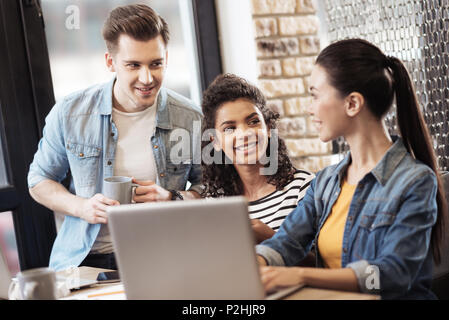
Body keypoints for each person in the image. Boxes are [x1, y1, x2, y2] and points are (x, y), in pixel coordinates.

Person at [256, 39, 447, 299]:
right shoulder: (325, 182)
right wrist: (258, 264)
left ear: (353, 104)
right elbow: (287, 241)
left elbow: (393, 275)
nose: (309, 108)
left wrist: (302, 275)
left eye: (315, 95)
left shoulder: (414, 181)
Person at [27, 4, 202, 271]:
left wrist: (172, 198)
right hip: (85, 261)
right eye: (133, 65)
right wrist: (82, 207)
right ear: (110, 62)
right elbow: (39, 181)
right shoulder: (70, 113)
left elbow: (213, 187)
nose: (147, 78)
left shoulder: (190, 117)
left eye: (156, 64)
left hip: (163, 258)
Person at [201, 74, 314, 244]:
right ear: (215, 141)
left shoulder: (303, 188)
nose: (245, 134)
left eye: (253, 122)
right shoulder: (214, 202)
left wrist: (272, 239)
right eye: (230, 129)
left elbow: (321, 263)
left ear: (268, 128)